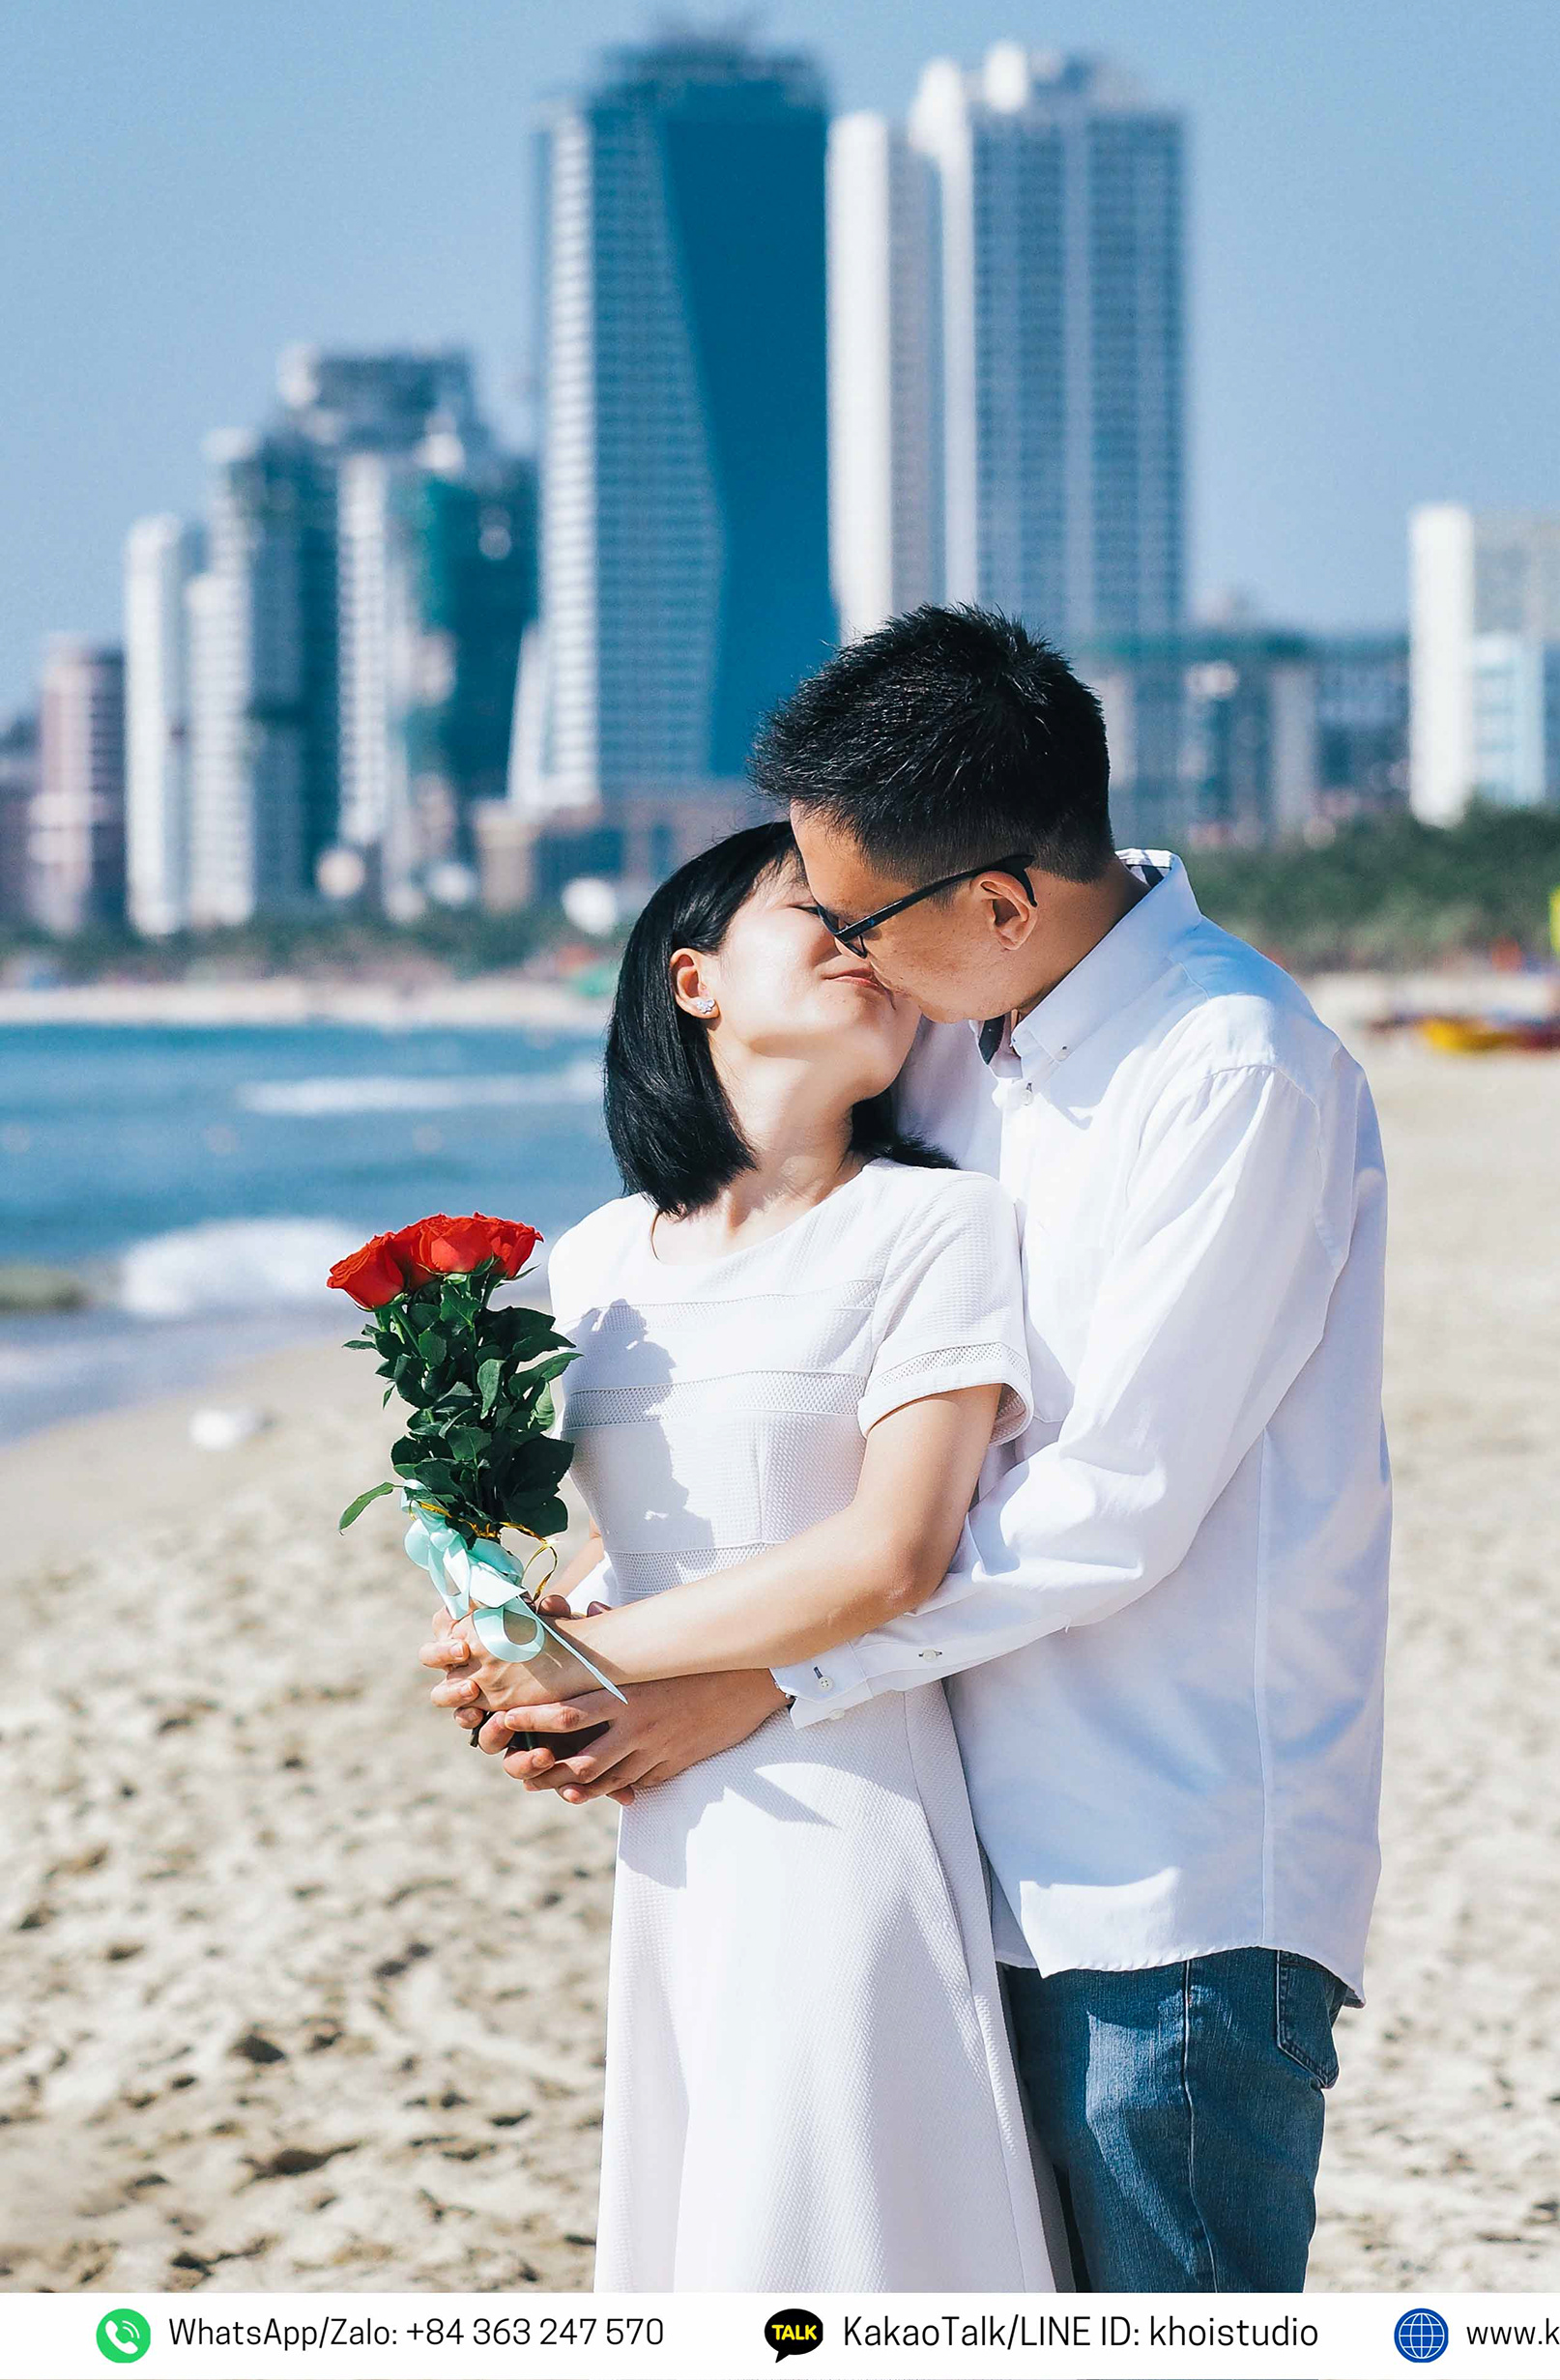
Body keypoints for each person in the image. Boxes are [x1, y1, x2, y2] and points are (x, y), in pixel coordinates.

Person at [436, 605, 1392, 2296]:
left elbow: (1104, 1514)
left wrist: (751, 1680)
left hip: (1151, 1870)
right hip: (939, 1838)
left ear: (1000, 901)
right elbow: (802, 1362)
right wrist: (601, 1587)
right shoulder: (974, 1038)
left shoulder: (1231, 1073)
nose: (854, 958)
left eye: (864, 918)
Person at [437, 818, 1055, 2292]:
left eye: (883, 932)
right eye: (820, 917)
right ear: (694, 979)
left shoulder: (933, 1223)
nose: (870, 948)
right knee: (705, 2232)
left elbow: (894, 1554)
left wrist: (579, 1665)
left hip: (843, 1808)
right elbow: (626, 1537)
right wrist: (505, 1646)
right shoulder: (593, 1265)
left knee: (833, 2230)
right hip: (670, 1824)